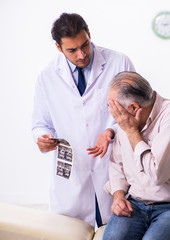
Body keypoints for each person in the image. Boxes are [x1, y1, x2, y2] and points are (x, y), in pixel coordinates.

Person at [31, 13, 135, 227]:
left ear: (89, 34)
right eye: (72, 50)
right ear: (59, 48)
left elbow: (136, 112)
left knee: (116, 231)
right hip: (72, 175)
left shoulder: (118, 62)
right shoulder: (47, 75)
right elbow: (40, 124)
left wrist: (111, 131)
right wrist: (42, 138)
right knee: (70, 231)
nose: (81, 54)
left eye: (85, 45)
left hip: (112, 167)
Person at [102, 72, 170, 240]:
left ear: (133, 108)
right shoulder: (125, 119)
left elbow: (157, 175)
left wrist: (132, 131)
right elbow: (117, 165)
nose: (112, 112)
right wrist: (118, 196)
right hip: (135, 204)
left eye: (113, 106)